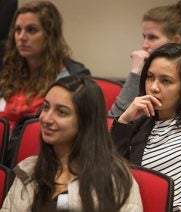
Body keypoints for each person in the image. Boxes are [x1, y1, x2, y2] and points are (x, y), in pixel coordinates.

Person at [1, 75, 143, 211]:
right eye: (45, 107)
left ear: (86, 121)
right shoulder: (28, 170)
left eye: (61, 112)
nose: (46, 118)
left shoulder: (115, 179)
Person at [111, 43, 181, 211]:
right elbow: (113, 178)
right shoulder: (137, 126)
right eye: (150, 77)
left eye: (166, 81)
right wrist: (124, 120)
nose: (154, 87)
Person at [109, 0, 181, 117]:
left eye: (152, 37)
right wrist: (135, 73)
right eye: (144, 37)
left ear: (176, 41)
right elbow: (113, 118)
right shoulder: (142, 74)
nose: (144, 44)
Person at [0, 1, 90, 131]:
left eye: (31, 30)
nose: (22, 37)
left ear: (49, 35)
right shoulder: (9, 69)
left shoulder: (72, 76)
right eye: (18, 30)